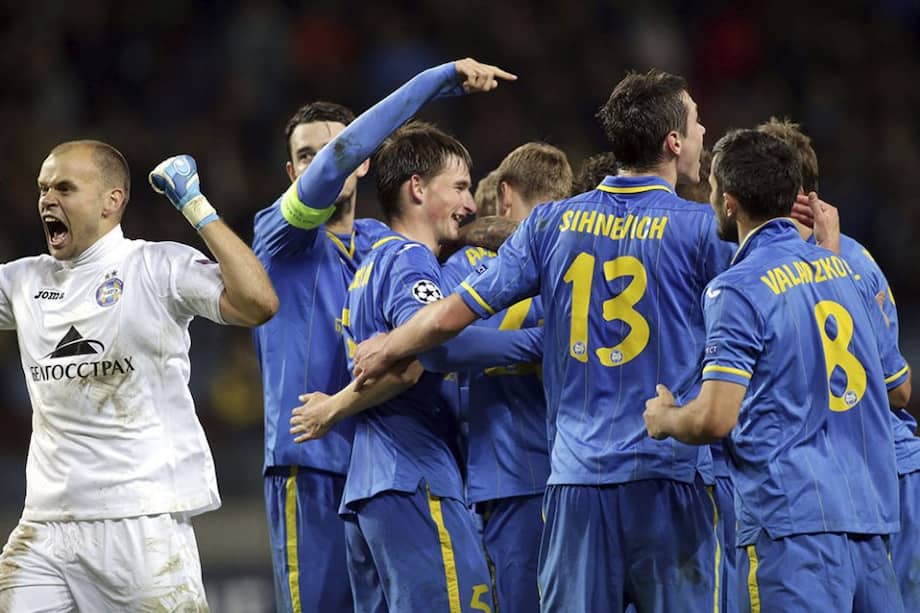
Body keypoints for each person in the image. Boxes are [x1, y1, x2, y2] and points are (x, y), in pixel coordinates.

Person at [350, 68, 736, 612]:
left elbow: (448, 317)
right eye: (697, 122)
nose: (703, 132)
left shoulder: (552, 224)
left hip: (577, 485)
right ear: (673, 142)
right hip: (666, 479)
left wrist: (391, 345)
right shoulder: (700, 230)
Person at [251, 58, 516, 612]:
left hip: (379, 452)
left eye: (334, 148)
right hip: (314, 457)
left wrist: (526, 231)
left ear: (365, 164)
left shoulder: (381, 243)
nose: (322, 162)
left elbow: (456, 232)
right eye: (307, 156)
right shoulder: (279, 235)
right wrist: (437, 81)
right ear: (291, 172)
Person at [0, 141, 278, 612]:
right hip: (45, 524)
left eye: (65, 188)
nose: (48, 199)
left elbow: (258, 303)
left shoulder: (156, 266)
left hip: (139, 519)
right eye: (43, 188)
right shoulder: (25, 280)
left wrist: (196, 205)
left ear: (112, 200)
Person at [643, 128, 911, 611]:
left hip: (790, 530)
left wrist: (665, 418)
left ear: (728, 202)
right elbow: (898, 388)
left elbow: (715, 419)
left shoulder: (736, 288)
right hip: (869, 523)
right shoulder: (846, 270)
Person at [292, 121, 546, 612]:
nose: (471, 203)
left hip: (370, 488)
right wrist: (535, 343)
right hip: (413, 477)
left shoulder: (368, 267)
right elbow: (435, 350)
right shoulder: (411, 260)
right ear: (417, 189)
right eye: (459, 187)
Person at [758, 116, 918, 609]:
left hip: (860, 478)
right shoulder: (856, 256)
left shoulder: (772, 273)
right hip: (882, 473)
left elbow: (895, 389)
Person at [440, 142, 572, 613]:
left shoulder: (467, 266)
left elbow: (442, 347)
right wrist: (545, 344)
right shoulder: (577, 265)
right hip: (579, 473)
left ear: (504, 195)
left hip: (508, 475)